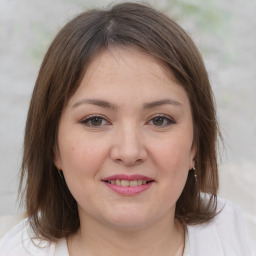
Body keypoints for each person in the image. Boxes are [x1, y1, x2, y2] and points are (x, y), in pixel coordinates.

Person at [0, 2, 252, 256]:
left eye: (159, 120)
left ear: (195, 143)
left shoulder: (240, 238)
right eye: (96, 120)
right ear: (53, 146)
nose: (129, 152)